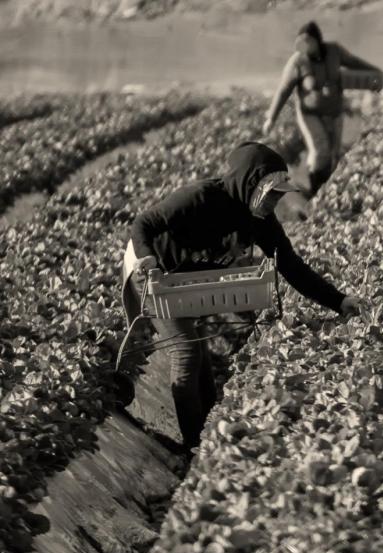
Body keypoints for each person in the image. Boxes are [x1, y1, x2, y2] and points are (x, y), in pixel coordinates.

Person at [120, 142, 360, 449]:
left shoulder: (260, 221)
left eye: (279, 195)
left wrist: (339, 301)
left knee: (197, 349)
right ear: (250, 184)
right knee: (186, 350)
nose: (275, 201)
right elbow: (144, 223)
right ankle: (194, 445)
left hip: (186, 278)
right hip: (152, 272)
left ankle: (207, 438)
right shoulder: (200, 198)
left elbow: (291, 265)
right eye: (271, 193)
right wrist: (146, 258)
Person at [262, 21, 383, 195]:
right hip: (309, 114)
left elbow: (353, 62)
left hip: (334, 111)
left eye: (307, 40)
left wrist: (374, 71)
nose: (304, 45)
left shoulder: (334, 51)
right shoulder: (298, 61)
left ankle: (325, 192)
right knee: (320, 150)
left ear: (317, 40)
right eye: (300, 41)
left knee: (333, 154)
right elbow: (284, 90)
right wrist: (271, 118)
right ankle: (313, 191)